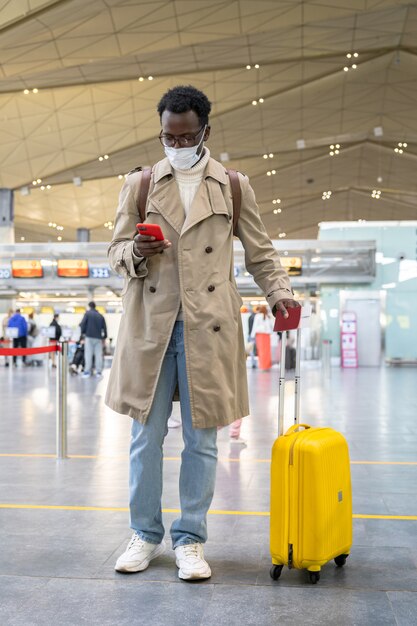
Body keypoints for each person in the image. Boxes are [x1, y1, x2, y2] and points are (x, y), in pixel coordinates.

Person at [105, 85, 299, 580]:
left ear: (205, 132)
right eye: (169, 135)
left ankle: (190, 540)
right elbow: (114, 252)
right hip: (151, 327)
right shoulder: (141, 184)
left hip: (208, 327)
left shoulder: (233, 186)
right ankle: (144, 535)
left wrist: (280, 293)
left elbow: (260, 252)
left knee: (203, 440)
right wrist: (135, 254)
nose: (177, 143)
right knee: (144, 440)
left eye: (186, 135)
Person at [80, 302, 107, 378]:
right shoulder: (100, 316)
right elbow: (105, 328)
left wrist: (82, 334)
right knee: (99, 355)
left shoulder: (87, 314)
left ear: (89, 306)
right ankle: (98, 372)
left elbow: (82, 324)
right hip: (98, 338)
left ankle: (87, 372)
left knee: (88, 354)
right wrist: (104, 337)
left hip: (89, 337)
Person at [250, 305, 274, 370]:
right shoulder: (268, 316)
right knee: (267, 351)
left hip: (260, 335)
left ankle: (262, 366)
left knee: (261, 351)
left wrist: (252, 335)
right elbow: (272, 326)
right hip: (267, 335)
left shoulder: (258, 316)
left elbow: (255, 326)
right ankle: (267, 366)